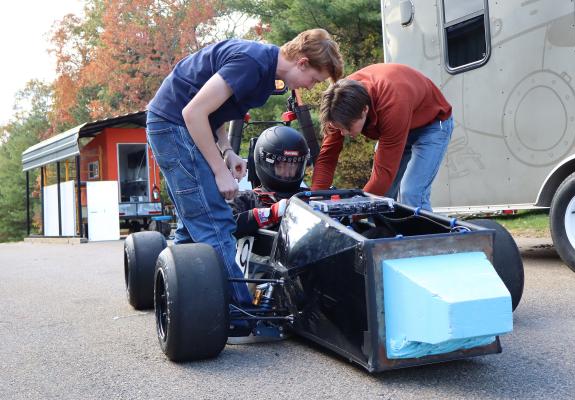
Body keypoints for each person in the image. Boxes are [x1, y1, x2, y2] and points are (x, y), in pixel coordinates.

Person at [146, 29, 343, 306]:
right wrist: (219, 170)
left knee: (194, 224)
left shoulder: (266, 73)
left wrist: (227, 152)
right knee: (214, 222)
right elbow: (193, 113)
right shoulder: (252, 63)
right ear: (302, 63)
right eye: (313, 79)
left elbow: (216, 112)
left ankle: (182, 301)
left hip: (181, 124)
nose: (310, 86)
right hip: (172, 125)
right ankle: (239, 311)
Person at [311, 63, 453, 211]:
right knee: (383, 196)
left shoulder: (391, 104)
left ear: (364, 110)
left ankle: (425, 233)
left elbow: (382, 176)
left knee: (411, 193)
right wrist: (315, 200)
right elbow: (327, 158)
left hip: (432, 123)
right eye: (338, 128)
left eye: (347, 128)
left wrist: (353, 214)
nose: (343, 133)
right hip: (397, 122)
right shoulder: (337, 105)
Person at [230, 125, 309, 238]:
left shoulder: (308, 197)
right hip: (262, 255)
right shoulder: (246, 199)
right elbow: (223, 227)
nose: (287, 174)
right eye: (281, 166)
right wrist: (270, 214)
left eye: (293, 167)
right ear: (266, 164)